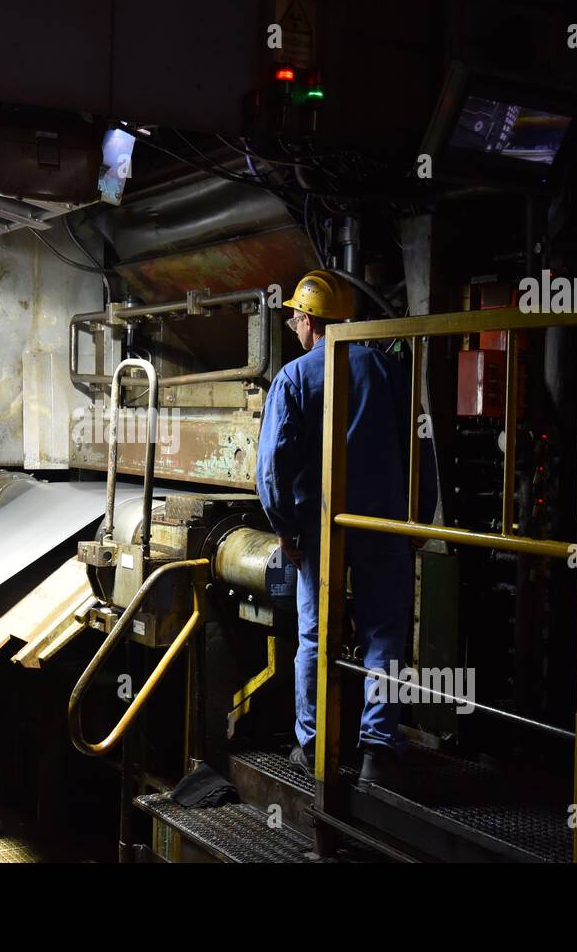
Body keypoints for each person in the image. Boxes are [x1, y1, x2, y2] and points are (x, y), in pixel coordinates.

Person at [255, 270, 436, 785]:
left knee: (315, 636)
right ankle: (378, 749)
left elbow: (272, 468)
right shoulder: (391, 370)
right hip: (385, 522)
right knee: (386, 633)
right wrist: (420, 516)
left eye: (294, 316)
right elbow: (420, 447)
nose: (293, 324)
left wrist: (284, 526)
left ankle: (316, 746)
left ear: (310, 319)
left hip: (322, 527)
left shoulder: (295, 377)